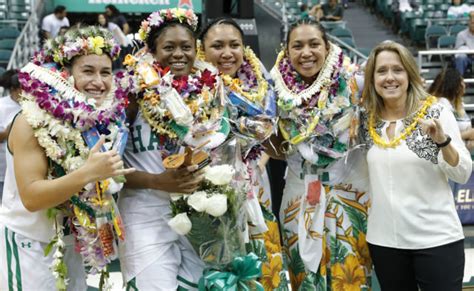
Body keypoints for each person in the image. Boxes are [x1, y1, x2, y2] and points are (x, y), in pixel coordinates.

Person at [0, 26, 134, 290]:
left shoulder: (98, 124)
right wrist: (89, 173)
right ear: (64, 74)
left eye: (105, 72)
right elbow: (32, 197)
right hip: (29, 244)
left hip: (72, 245)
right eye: (88, 71)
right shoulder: (30, 121)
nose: (99, 81)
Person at [118, 8, 230, 290]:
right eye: (169, 47)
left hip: (198, 215)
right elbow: (109, 168)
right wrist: (157, 181)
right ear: (152, 50)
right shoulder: (132, 93)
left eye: (186, 47)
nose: (179, 54)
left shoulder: (211, 94)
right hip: (144, 214)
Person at [267, 19, 371, 289]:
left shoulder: (354, 83)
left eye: (314, 44)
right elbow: (272, 144)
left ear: (327, 47)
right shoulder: (275, 90)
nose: (306, 52)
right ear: (286, 50)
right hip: (299, 191)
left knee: (350, 273)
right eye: (297, 46)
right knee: (303, 275)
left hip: (349, 189)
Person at [361, 40, 471, 291]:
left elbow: (463, 172)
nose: (390, 77)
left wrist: (442, 141)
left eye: (397, 70)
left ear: (409, 74)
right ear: (372, 78)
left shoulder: (435, 112)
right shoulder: (366, 120)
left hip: (436, 240)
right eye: (381, 71)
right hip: (385, 242)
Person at [198, 17, 289, 289]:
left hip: (254, 185)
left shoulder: (260, 85)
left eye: (235, 45)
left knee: (263, 262)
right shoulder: (192, 88)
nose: (227, 53)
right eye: (218, 46)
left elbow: (271, 138)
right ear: (202, 50)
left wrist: (260, 161)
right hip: (209, 192)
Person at [428, 67, 474, 151]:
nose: (464, 85)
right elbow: (441, 136)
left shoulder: (457, 103)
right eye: (462, 82)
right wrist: (468, 134)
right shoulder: (442, 104)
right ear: (455, 85)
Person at [0, 70, 21, 202]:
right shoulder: (1, 106)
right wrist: (8, 133)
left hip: (20, 167)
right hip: (2, 168)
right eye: (21, 89)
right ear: (13, 89)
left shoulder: (31, 105)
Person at [455, 11, 474, 76]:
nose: (473, 24)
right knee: (461, 58)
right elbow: (458, 52)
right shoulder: (461, 35)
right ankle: (459, 82)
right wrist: (468, 50)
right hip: (467, 57)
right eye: (472, 23)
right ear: (468, 23)